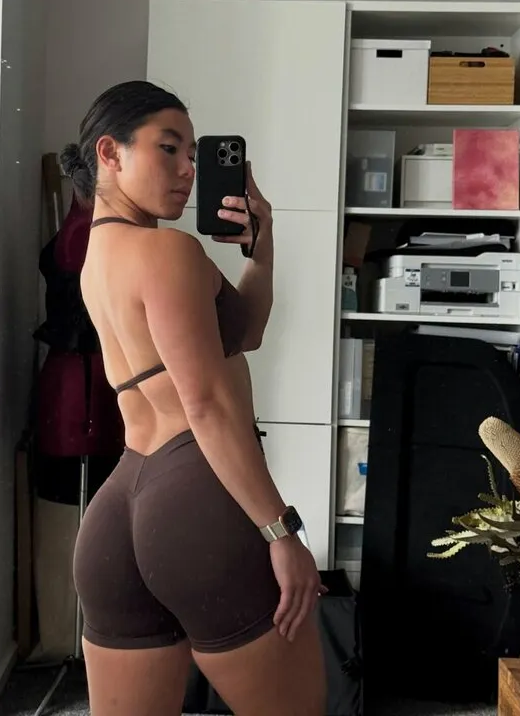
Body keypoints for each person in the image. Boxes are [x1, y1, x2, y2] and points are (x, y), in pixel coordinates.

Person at [60, 79, 326, 716]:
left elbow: (245, 331)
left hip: (117, 511)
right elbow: (204, 403)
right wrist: (281, 532)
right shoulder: (169, 250)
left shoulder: (97, 257)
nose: (188, 170)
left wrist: (261, 247)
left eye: (193, 155)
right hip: (194, 500)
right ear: (110, 153)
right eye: (169, 148)